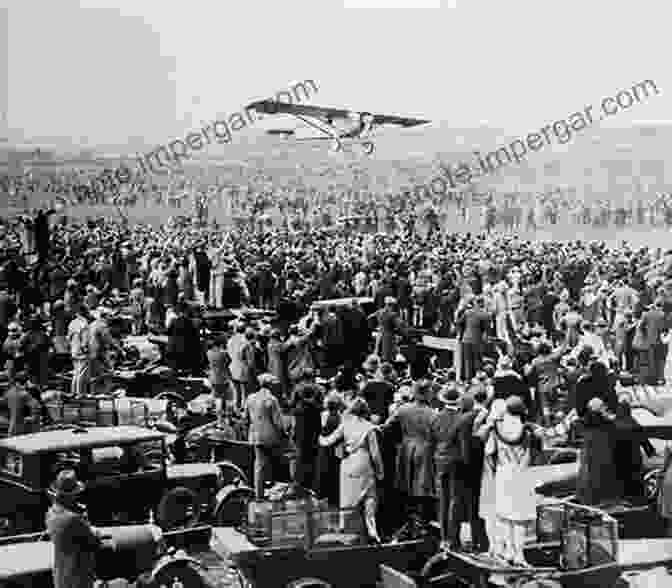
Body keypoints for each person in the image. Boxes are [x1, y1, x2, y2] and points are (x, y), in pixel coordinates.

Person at [319, 397, 384, 544]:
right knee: (369, 497)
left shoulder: (345, 425)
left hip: (348, 463)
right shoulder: (370, 428)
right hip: (364, 462)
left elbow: (326, 441)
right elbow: (375, 454)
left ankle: (344, 528)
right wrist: (380, 472)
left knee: (348, 499)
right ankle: (372, 530)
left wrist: (317, 434)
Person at [383, 379, 436, 522]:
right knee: (422, 484)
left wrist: (396, 442)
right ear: (427, 394)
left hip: (406, 448)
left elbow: (386, 426)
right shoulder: (433, 414)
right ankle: (421, 518)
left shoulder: (403, 409)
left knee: (406, 482)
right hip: (425, 449)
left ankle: (407, 517)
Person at [45, 469, 108, 588]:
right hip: (78, 576)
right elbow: (94, 542)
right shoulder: (73, 519)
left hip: (61, 573)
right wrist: (93, 530)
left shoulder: (51, 513)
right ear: (72, 495)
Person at [243, 373, 288, 499]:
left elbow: (245, 419)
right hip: (271, 437)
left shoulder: (250, 398)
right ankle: (273, 489)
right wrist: (285, 434)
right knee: (277, 461)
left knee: (259, 465)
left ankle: (259, 494)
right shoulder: (271, 400)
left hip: (256, 436)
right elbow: (278, 422)